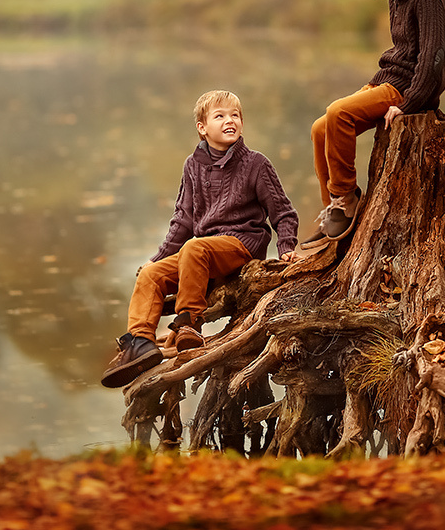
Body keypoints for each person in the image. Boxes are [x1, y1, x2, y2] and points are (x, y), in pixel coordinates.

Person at [101, 90, 299, 388]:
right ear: (202, 127)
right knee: (152, 275)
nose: (229, 121)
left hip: (241, 244)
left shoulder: (256, 164)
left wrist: (286, 247)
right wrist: (156, 259)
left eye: (235, 115)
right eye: (220, 116)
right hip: (201, 252)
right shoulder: (192, 166)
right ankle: (140, 343)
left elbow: (283, 212)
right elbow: (183, 220)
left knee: (196, 247)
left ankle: (189, 324)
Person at [301, 0, 445, 249]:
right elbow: (400, 53)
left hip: (407, 90)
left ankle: (346, 197)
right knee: (320, 129)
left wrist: (409, 103)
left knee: (337, 113)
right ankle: (335, 207)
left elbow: (432, 60)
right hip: (386, 80)